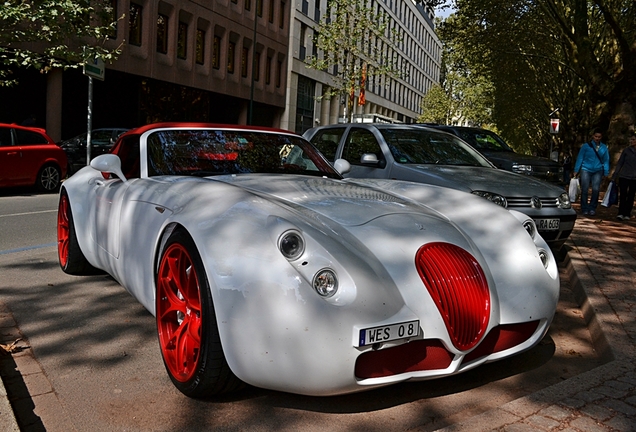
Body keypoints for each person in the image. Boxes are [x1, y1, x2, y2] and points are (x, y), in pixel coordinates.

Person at [573, 128, 610, 216]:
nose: (597, 138)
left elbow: (606, 160)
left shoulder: (604, 147)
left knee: (596, 190)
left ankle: (592, 208)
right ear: (593, 136)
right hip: (586, 169)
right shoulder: (586, 146)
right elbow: (580, 158)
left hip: (598, 170)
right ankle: (584, 208)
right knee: (584, 189)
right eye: (596, 136)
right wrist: (576, 170)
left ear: (601, 137)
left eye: (599, 137)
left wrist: (606, 172)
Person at [612, 133, 636, 220]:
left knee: (631, 195)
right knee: (623, 195)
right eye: (631, 139)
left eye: (633, 139)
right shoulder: (626, 150)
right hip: (624, 176)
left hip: (634, 178)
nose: (631, 141)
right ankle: (621, 213)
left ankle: (627, 213)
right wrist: (615, 174)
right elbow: (620, 163)